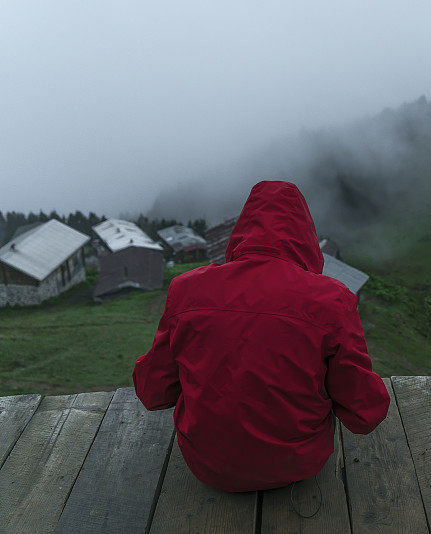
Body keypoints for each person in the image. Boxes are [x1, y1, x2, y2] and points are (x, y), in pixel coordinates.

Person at [133, 180, 390, 492]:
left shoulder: (187, 289)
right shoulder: (331, 299)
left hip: (207, 465)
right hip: (298, 465)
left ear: (242, 228)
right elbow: (365, 412)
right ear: (305, 234)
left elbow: (153, 391)